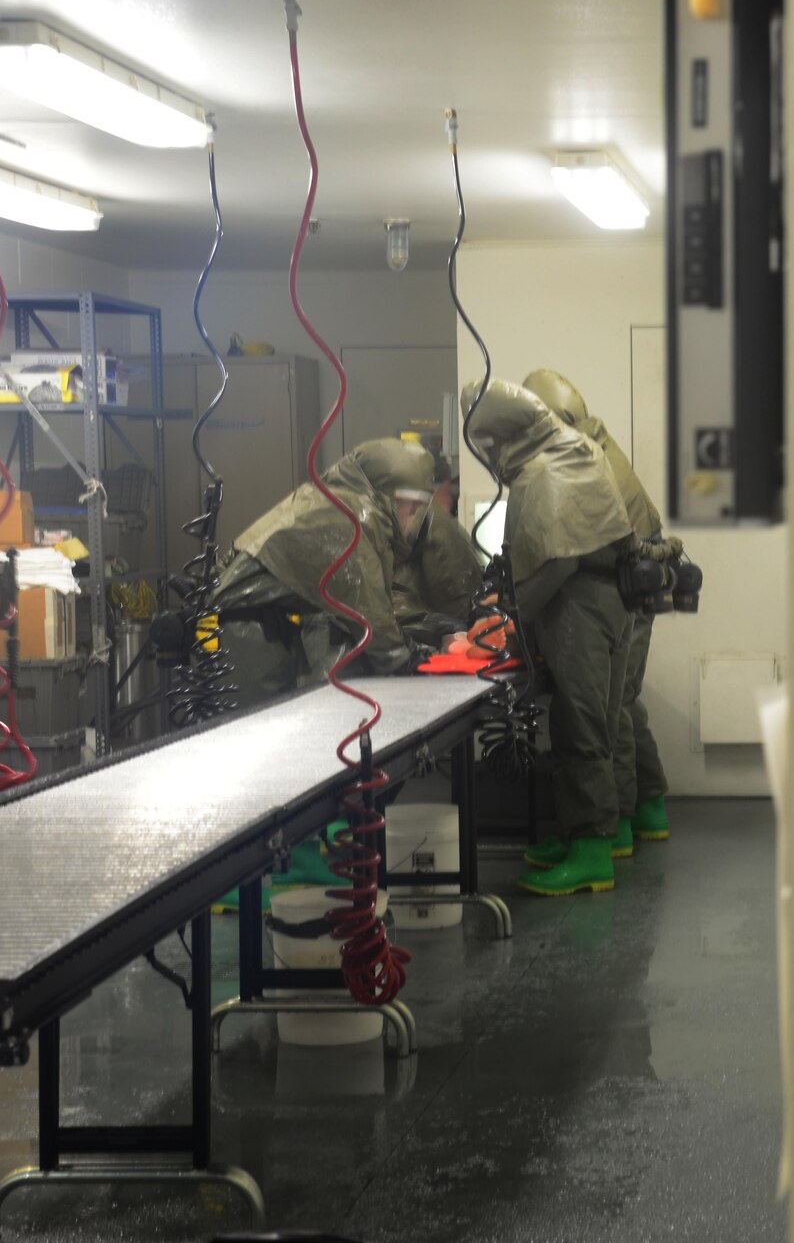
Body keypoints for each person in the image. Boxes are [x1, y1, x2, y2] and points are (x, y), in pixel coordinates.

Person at [460, 379, 639, 896]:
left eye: (487, 447)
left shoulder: (545, 467)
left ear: (501, 435)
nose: (489, 460)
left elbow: (559, 559)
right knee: (583, 720)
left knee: (582, 725)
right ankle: (584, 836)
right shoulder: (571, 448)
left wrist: (509, 620)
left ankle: (590, 853)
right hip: (604, 604)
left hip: (581, 607)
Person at [522, 368, 676, 849]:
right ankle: (642, 810)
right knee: (621, 705)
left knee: (606, 714)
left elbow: (569, 550)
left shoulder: (578, 459)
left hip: (619, 591)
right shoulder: (598, 443)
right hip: (636, 588)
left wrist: (519, 605)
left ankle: (618, 827)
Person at [215, 437, 484, 704]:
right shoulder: (351, 518)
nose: (412, 514)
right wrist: (413, 659)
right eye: (409, 505)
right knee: (260, 728)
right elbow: (370, 616)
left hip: (264, 623)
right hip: (247, 630)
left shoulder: (335, 502)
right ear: (390, 495)